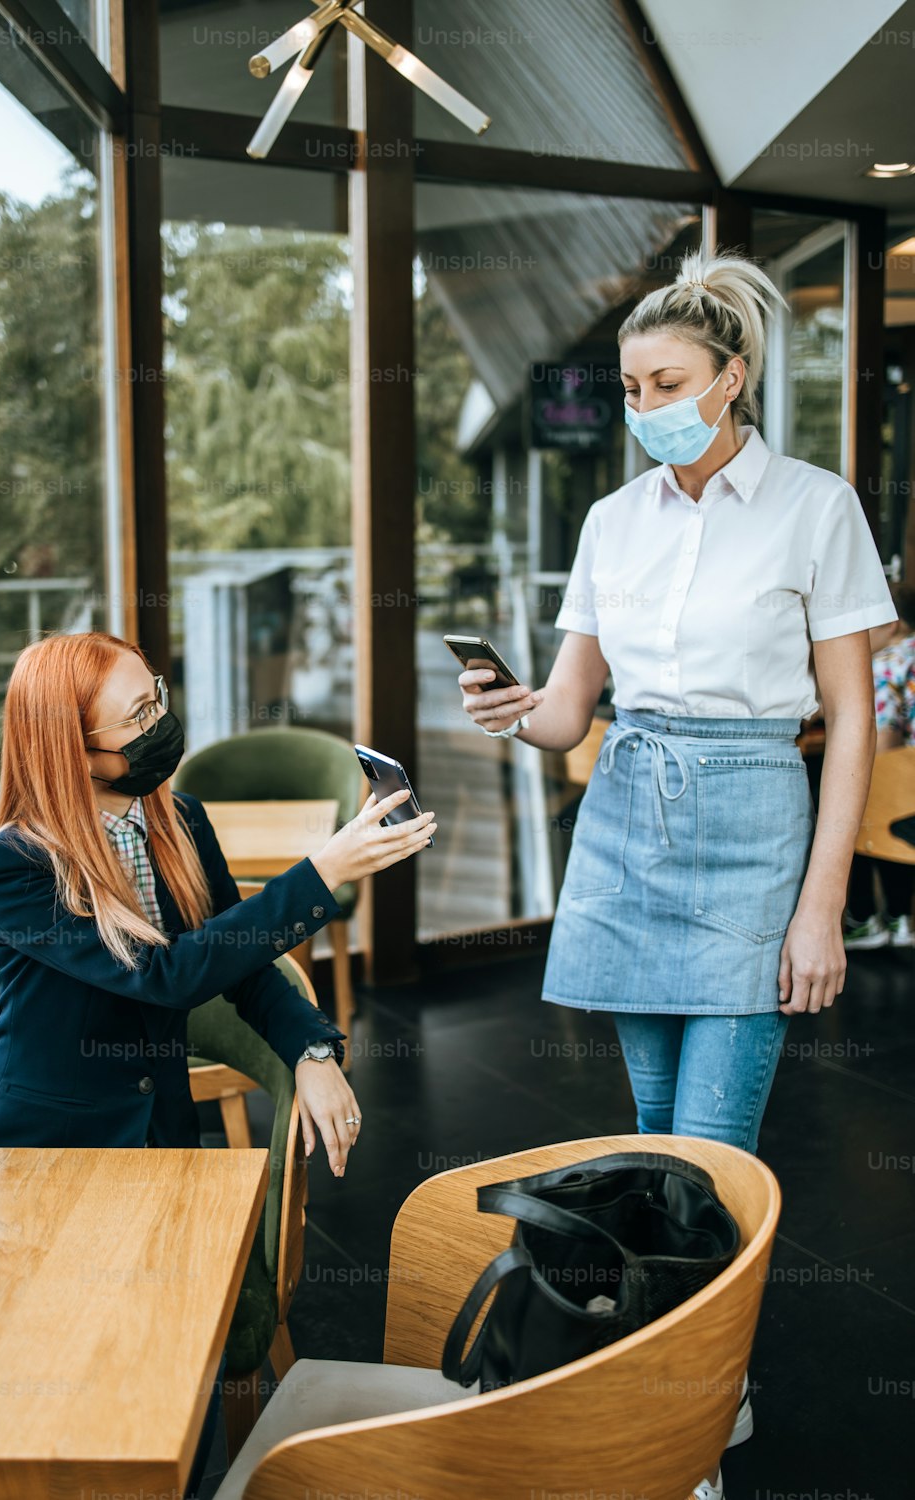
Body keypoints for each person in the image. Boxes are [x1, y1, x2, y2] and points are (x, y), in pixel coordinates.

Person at [456, 249, 897, 1500]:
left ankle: (682, 1424)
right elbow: (570, 716)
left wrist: (822, 911)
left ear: (731, 377)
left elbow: (850, 724)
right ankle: (702, 1389)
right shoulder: (611, 523)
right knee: (657, 1152)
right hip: (626, 817)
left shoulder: (817, 507)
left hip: (757, 814)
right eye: (631, 384)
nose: (642, 405)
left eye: (664, 381)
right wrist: (508, 709)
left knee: (709, 1150)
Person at [0, 629, 436, 1497]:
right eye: (136, 717)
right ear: (71, 747)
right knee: (45, 1380)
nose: (160, 724)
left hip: (160, 1145)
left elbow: (236, 963)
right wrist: (317, 874)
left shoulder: (178, 816)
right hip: (34, 1154)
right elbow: (167, 978)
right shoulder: (16, 866)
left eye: (158, 697)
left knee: (170, 1371)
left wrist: (312, 1048)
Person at [844, 581, 915, 948]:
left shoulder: (885, 665)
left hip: (904, 788)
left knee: (858, 801)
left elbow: (881, 742)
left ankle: (861, 917)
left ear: (891, 624)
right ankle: (899, 916)